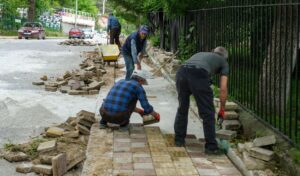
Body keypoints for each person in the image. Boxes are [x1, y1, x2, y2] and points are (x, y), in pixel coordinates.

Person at [174, 46, 229, 155]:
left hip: (181, 72)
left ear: (213, 51)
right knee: (208, 113)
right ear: (225, 57)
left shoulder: (201, 54)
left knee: (182, 108)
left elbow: (192, 69)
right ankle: (211, 147)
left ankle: (179, 140)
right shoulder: (224, 62)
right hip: (199, 74)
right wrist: (222, 109)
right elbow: (223, 89)